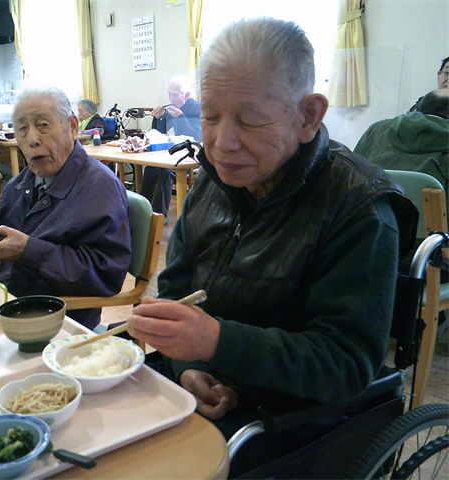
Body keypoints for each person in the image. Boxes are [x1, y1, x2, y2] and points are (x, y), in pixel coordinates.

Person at [126, 17, 417, 475]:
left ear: (307, 115)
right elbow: (176, 290)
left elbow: (346, 364)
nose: (222, 142)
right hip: (211, 390)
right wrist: (186, 362)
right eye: (210, 116)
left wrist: (217, 342)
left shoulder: (358, 208)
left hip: (297, 421)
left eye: (250, 120)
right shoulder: (211, 185)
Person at [0, 86, 132, 330]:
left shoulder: (99, 186)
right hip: (5, 302)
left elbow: (106, 275)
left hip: (54, 321)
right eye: (22, 129)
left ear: (73, 127)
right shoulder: (24, 181)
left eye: (43, 125)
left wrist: (29, 251)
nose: (32, 139)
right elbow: (4, 237)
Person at [356, 89, 449, 208]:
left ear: (417, 109)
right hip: (430, 225)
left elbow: (352, 176)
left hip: (372, 219)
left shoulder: (377, 129)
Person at [139, 75, 201, 218]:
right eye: (169, 94)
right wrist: (157, 118)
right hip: (172, 153)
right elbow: (159, 134)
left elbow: (197, 136)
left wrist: (181, 118)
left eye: (175, 94)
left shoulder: (197, 108)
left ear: (187, 95)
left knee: (166, 170)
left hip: (191, 156)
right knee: (150, 169)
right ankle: (142, 210)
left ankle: (159, 216)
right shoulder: (172, 108)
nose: (171, 99)